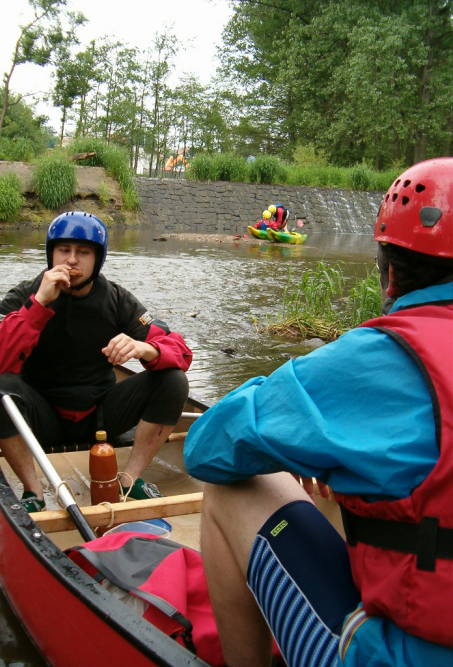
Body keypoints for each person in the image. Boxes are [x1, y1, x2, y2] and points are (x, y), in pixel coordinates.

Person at [184, 158, 453, 667]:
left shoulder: (377, 357)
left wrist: (306, 444)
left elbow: (204, 449)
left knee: (227, 486)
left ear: (390, 276)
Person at [0, 211, 193, 512]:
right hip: (41, 418)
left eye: (83, 253)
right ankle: (33, 492)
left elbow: (180, 351)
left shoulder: (118, 300)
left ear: (98, 259)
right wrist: (38, 305)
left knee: (173, 380)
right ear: (50, 254)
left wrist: (144, 348)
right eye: (64, 250)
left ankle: (129, 480)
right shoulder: (25, 296)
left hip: (102, 416)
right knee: (0, 390)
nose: (71, 261)